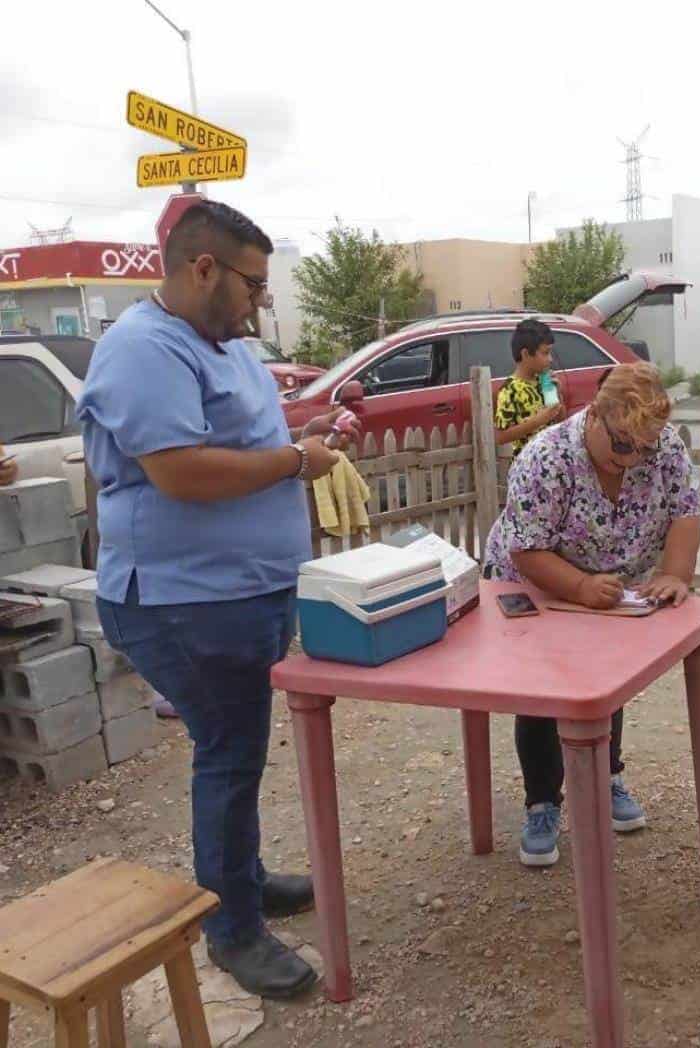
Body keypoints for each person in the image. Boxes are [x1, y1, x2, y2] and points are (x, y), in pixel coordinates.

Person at [77, 200, 358, 997]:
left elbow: (250, 438)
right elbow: (182, 471)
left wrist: (311, 435)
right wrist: (295, 465)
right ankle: (231, 928)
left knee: (237, 746)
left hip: (242, 591)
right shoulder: (141, 349)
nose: (259, 302)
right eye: (253, 285)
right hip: (179, 600)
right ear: (203, 269)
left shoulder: (225, 344)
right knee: (228, 753)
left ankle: (241, 879)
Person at [483, 362, 700, 866]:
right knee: (543, 690)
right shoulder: (546, 457)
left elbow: (686, 512)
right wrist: (579, 587)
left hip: (606, 587)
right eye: (624, 445)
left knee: (605, 683)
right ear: (595, 418)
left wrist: (676, 574)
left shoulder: (661, 447)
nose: (635, 458)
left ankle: (606, 776)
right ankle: (542, 802)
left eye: (645, 447)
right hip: (536, 581)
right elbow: (528, 549)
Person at [495, 318, 565, 458]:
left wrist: (558, 395)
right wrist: (538, 421)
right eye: (545, 353)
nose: (550, 359)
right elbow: (501, 437)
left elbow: (561, 423)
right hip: (527, 466)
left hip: (551, 461)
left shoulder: (544, 382)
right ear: (526, 354)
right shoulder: (510, 390)